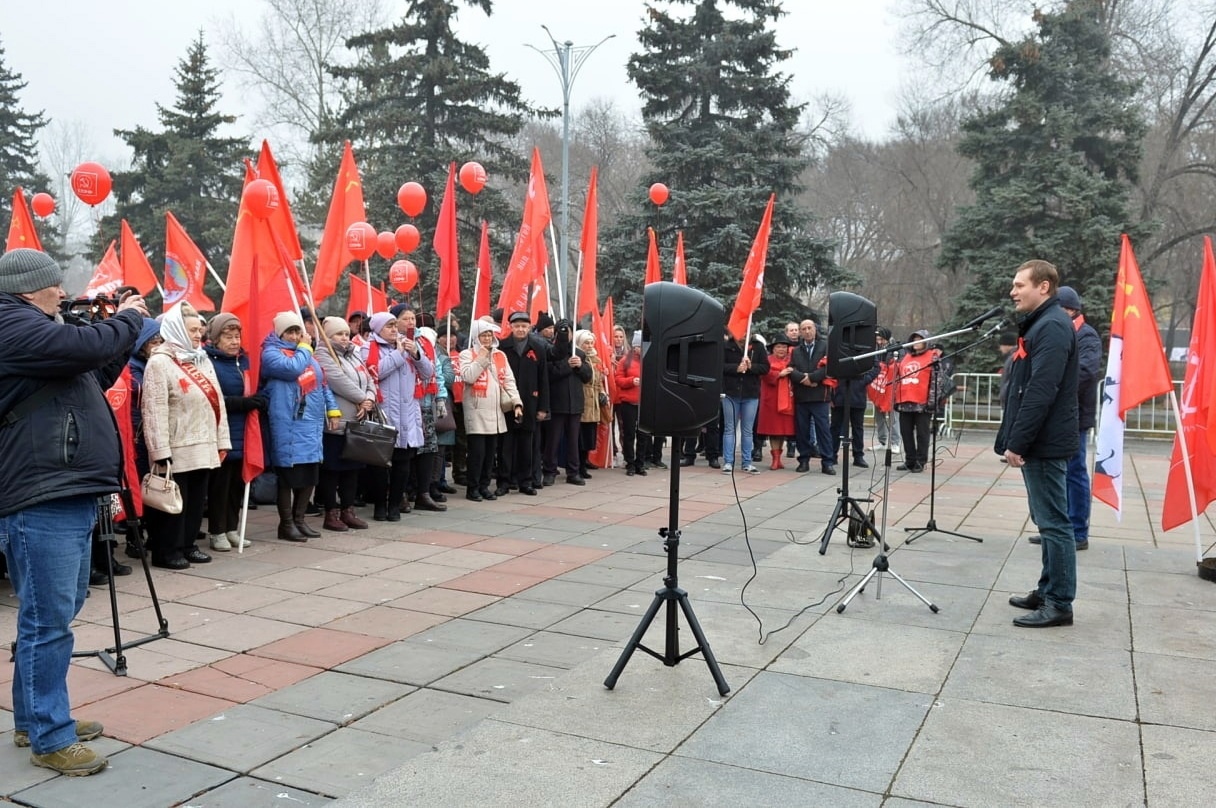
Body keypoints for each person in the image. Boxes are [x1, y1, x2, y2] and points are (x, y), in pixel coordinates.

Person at [0, 249, 148, 776]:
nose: (64, 293)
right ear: (30, 287)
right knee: (49, 621)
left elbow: (96, 365)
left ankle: (33, 718)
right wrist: (128, 318)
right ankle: (50, 736)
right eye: (56, 286)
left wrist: (120, 334)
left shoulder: (38, 327)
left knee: (50, 614)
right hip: (42, 493)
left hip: (64, 488)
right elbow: (82, 345)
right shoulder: (10, 322)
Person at [999, 260, 1079, 628]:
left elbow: (1040, 391)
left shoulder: (1052, 327)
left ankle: (1060, 602)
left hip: (1045, 442)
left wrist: (1018, 442)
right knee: (1046, 520)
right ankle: (1047, 589)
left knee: (1054, 524)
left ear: (1043, 287)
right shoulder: (1043, 323)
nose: (1013, 291)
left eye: (1019, 285)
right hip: (1041, 440)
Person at [142, 303, 231, 568]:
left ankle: (188, 544)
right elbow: (153, 409)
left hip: (203, 442)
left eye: (199, 330)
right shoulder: (160, 362)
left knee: (194, 502)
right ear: (176, 329)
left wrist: (222, 440)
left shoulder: (201, 358)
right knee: (172, 503)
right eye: (192, 330)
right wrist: (159, 450)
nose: (197, 335)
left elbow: (218, 402)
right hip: (176, 445)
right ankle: (166, 551)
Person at [1027, 286, 1100, 551]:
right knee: (1056, 475)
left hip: (1075, 417)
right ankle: (1054, 528)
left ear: (1069, 309)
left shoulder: (1087, 335)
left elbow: (1085, 372)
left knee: (1074, 472)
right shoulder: (1059, 330)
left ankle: (1078, 532)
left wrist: (1051, 386)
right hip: (1056, 415)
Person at [262, 311, 340, 539]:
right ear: (280, 333)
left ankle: (300, 520)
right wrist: (306, 348)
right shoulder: (271, 354)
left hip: (311, 425)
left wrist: (332, 410)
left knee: (309, 474)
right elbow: (291, 369)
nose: (296, 336)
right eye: (291, 332)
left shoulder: (308, 355)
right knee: (289, 475)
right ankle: (286, 524)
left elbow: (322, 383)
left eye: (298, 331)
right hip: (288, 423)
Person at [362, 312, 433, 521]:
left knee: (403, 462)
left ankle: (395, 504)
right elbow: (375, 372)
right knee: (380, 464)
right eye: (389, 326)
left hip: (408, 412)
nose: (394, 329)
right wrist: (400, 354)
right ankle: (379, 505)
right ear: (377, 329)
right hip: (384, 413)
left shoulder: (407, 344)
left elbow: (428, 373)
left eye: (395, 325)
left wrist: (417, 353)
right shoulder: (369, 347)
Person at [203, 313, 263, 551]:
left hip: (244, 432)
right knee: (220, 486)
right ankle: (217, 531)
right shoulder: (208, 362)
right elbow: (212, 398)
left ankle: (232, 528)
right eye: (228, 337)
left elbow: (258, 386)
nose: (234, 342)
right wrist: (242, 403)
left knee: (237, 486)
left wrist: (260, 399)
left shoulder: (244, 361)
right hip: (221, 433)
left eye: (237, 336)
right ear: (216, 339)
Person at [314, 316, 377, 531]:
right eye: (339, 334)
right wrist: (362, 398)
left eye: (346, 334)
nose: (344, 338)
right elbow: (338, 381)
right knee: (333, 470)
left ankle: (348, 511)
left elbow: (369, 379)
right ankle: (331, 513)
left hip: (357, 421)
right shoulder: (322, 355)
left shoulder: (354, 354)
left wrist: (369, 399)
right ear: (328, 336)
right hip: (336, 422)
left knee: (352, 469)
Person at [460, 319, 523, 500]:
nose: (487, 338)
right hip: (477, 409)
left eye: (489, 334)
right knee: (477, 453)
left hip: (496, 412)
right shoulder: (467, 354)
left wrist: (517, 403)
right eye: (483, 335)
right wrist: (481, 357)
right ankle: (472, 488)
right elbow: (469, 377)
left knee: (490, 454)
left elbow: (509, 381)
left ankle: (484, 486)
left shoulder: (500, 355)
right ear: (476, 336)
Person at [497, 311, 550, 495]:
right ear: (511, 327)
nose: (520, 329)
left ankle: (525, 481)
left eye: (524, 326)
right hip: (507, 402)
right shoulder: (502, 347)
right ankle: (504, 482)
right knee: (506, 445)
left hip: (530, 402)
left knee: (527, 445)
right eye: (517, 326)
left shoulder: (538, 347)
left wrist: (543, 407)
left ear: (529, 327)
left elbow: (544, 379)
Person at [544, 318, 593, 486]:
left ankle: (574, 472)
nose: (567, 335)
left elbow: (588, 377)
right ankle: (549, 471)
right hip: (557, 404)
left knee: (574, 441)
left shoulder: (579, 353)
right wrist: (567, 366)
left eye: (569, 332)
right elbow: (550, 375)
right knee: (553, 440)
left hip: (575, 404)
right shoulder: (551, 351)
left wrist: (580, 366)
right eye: (563, 332)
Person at [788, 319, 834, 474]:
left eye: (809, 328)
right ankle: (804, 460)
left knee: (823, 430)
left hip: (820, 395)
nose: (807, 331)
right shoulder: (796, 350)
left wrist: (813, 378)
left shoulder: (825, 346)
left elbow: (829, 367)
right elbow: (791, 369)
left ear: (815, 329)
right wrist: (804, 379)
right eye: (804, 329)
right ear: (800, 332)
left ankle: (827, 462)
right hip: (802, 396)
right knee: (802, 431)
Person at [721, 329, 770, 474]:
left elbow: (765, 367)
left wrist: (751, 367)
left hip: (750, 394)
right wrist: (736, 368)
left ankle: (747, 462)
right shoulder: (726, 346)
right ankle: (728, 462)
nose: (742, 335)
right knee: (730, 428)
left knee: (747, 430)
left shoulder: (757, 347)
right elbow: (719, 366)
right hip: (731, 393)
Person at [894, 330, 937, 473]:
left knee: (922, 433)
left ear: (926, 341)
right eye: (914, 339)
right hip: (905, 400)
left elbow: (937, 380)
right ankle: (909, 460)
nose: (916, 342)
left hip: (922, 402)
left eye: (920, 339)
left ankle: (920, 460)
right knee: (905, 432)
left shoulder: (932, 356)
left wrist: (932, 401)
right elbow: (899, 378)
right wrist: (895, 398)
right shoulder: (905, 357)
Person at [759, 334, 797, 469]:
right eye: (779, 346)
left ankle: (779, 458)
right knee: (773, 431)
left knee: (782, 431)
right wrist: (780, 374)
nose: (782, 349)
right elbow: (764, 374)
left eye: (784, 347)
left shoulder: (792, 360)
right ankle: (775, 459)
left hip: (787, 400)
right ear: (773, 349)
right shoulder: (767, 360)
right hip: (771, 400)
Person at [575, 330, 607, 479]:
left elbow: (598, 380)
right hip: (582, 401)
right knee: (579, 437)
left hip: (593, 403)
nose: (589, 346)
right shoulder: (577, 358)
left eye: (590, 343)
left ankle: (585, 462)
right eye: (585, 343)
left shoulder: (595, 359)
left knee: (589, 437)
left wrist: (602, 393)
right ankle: (578, 466)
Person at [614, 331, 648, 476]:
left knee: (643, 435)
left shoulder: (649, 360)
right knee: (628, 434)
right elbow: (618, 379)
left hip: (644, 403)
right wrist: (631, 381)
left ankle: (640, 463)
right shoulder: (624, 361)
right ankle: (630, 463)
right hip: (628, 403)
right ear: (634, 347)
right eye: (638, 346)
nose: (640, 349)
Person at [867, 327, 901, 454]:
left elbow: (899, 364)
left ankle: (895, 442)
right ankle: (882, 441)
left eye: (881, 339)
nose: (879, 342)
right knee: (879, 415)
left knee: (893, 416)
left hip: (892, 387)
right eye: (877, 339)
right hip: (879, 387)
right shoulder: (876, 349)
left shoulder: (896, 348)